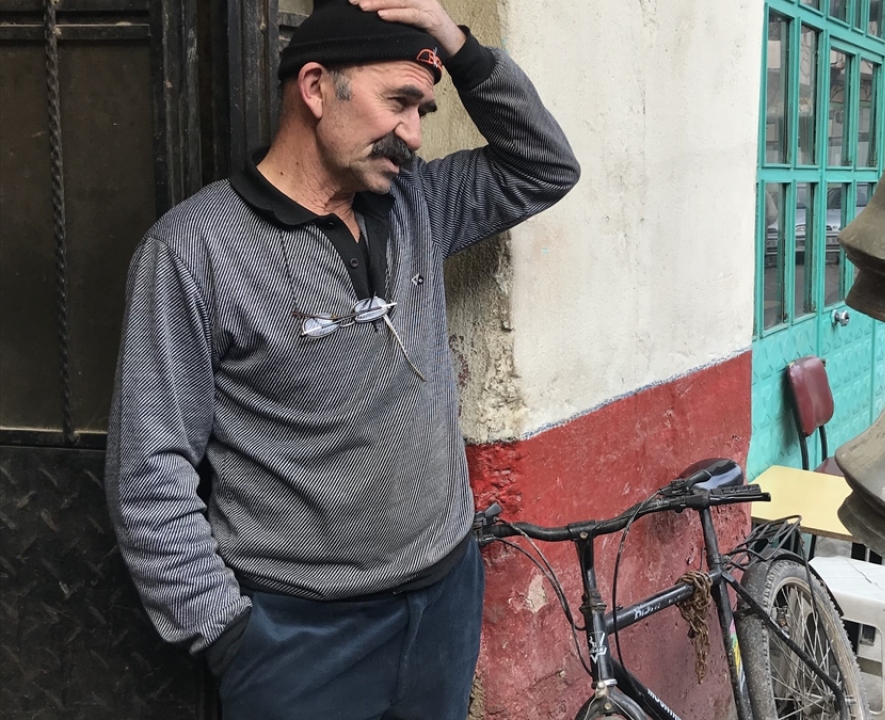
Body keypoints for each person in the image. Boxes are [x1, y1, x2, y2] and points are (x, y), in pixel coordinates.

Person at [104, 0, 579, 717]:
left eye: (423, 110)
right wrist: (229, 636)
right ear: (318, 86)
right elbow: (148, 470)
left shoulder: (419, 205)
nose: (414, 134)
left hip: (444, 602)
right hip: (299, 639)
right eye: (400, 103)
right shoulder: (193, 252)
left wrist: (457, 44)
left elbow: (545, 166)